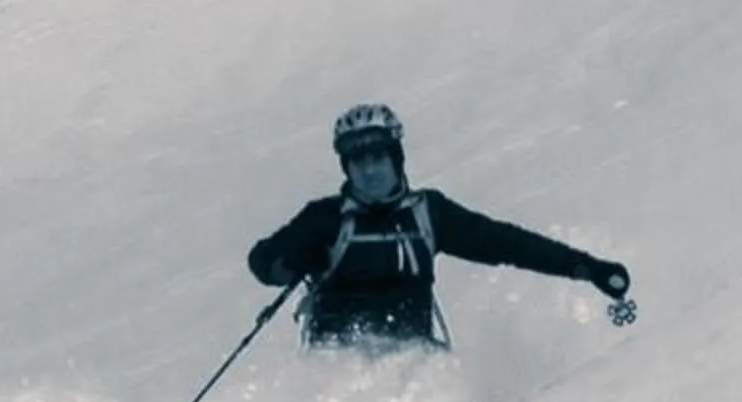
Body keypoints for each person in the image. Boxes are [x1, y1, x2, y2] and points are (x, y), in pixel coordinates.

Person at [247, 102, 633, 351]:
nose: (369, 169)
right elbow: (263, 260)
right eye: (357, 160)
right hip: (338, 369)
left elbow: (508, 244)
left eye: (378, 156)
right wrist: (283, 264)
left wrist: (589, 268)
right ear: (345, 167)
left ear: (396, 158)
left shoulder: (428, 213)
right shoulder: (326, 218)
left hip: (415, 361)